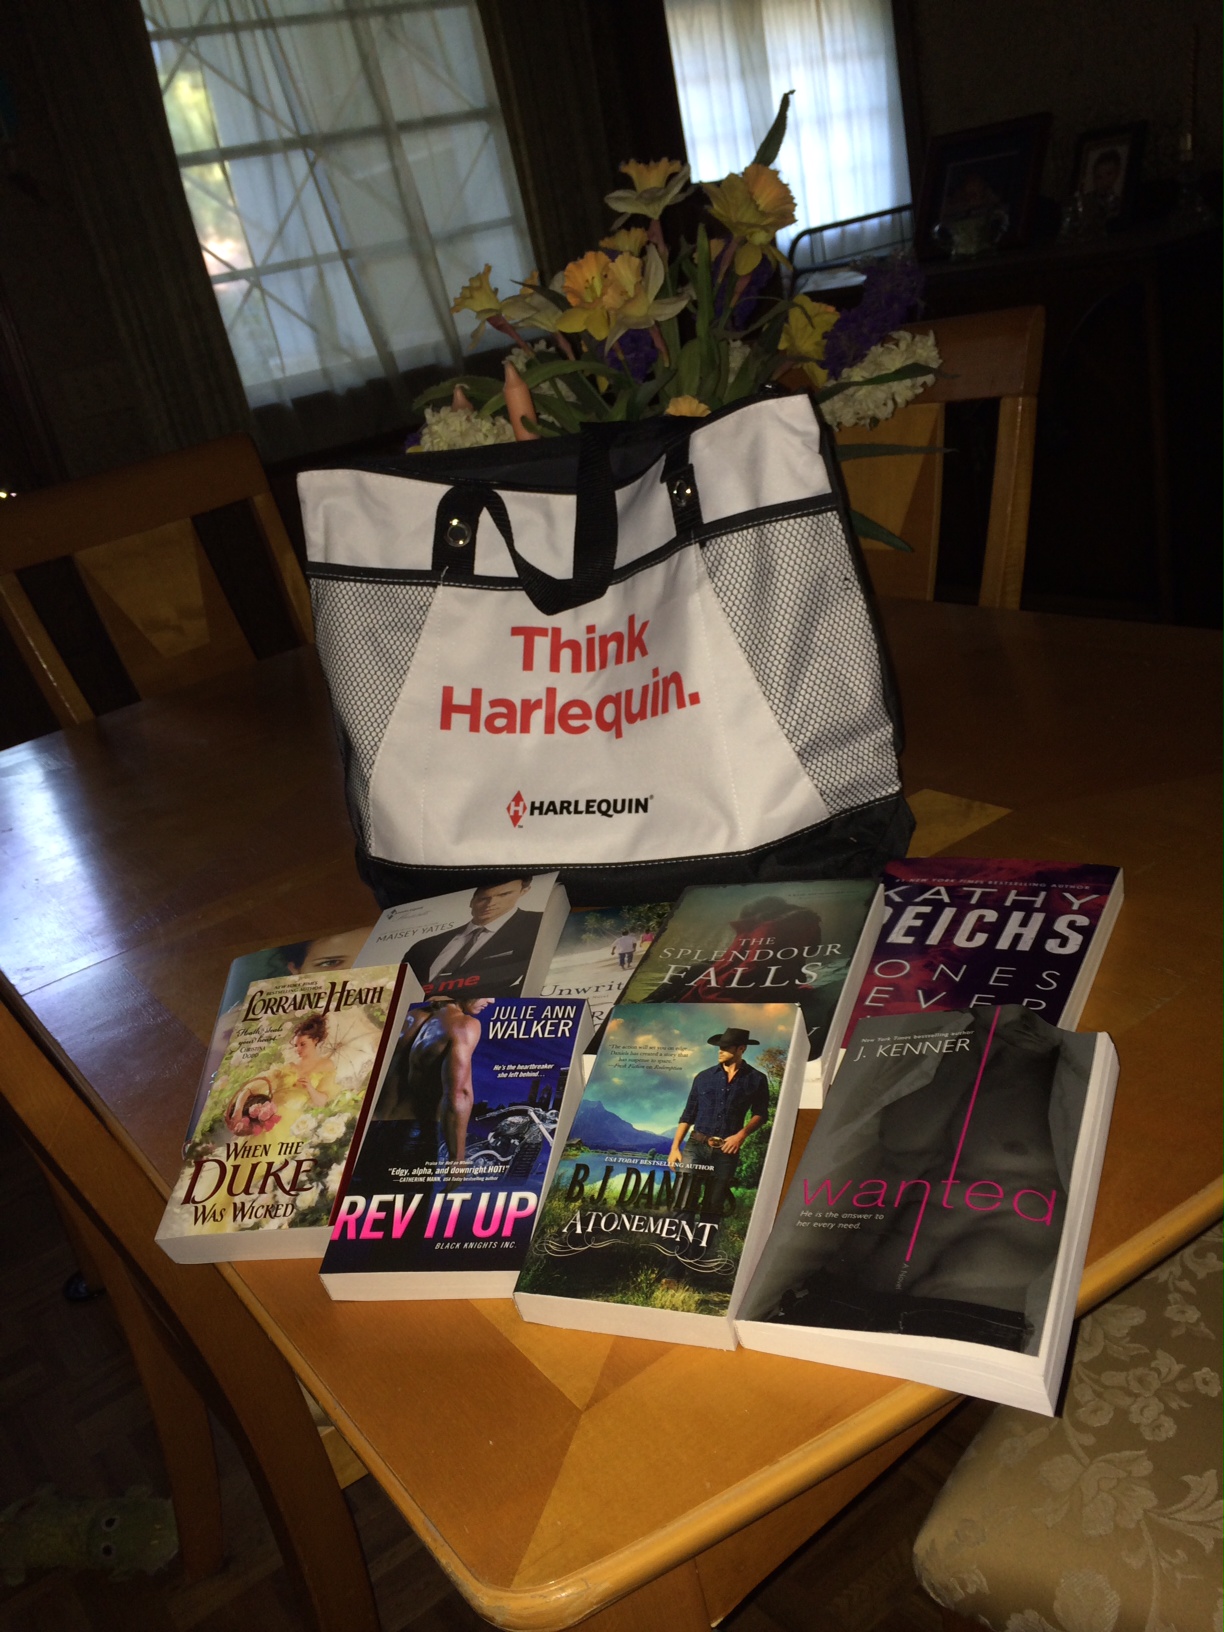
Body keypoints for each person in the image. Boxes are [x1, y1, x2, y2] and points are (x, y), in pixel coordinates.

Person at [667, 1027, 770, 1261]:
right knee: (683, 1204)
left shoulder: (756, 1079)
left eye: (725, 1047)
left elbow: (761, 1114)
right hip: (696, 1146)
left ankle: (696, 1260)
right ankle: (675, 1266)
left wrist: (740, 1136)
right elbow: (688, 1114)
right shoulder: (703, 1077)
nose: (720, 1051)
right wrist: (674, 1148)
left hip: (726, 1151)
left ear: (741, 1049)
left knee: (712, 1209)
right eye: (719, 1047)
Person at [376, 996, 494, 1165]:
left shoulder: (411, 1016)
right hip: (413, 1134)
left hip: (373, 1130)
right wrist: (457, 1160)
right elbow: (459, 1094)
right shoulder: (464, 1025)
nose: (491, 1001)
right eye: (486, 994)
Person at [404, 877, 541, 998]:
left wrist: (460, 1002)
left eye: (504, 894)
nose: (490, 903)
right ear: (471, 901)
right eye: (483, 898)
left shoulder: (539, 924)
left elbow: (535, 986)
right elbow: (402, 990)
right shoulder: (424, 946)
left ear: (524, 891)